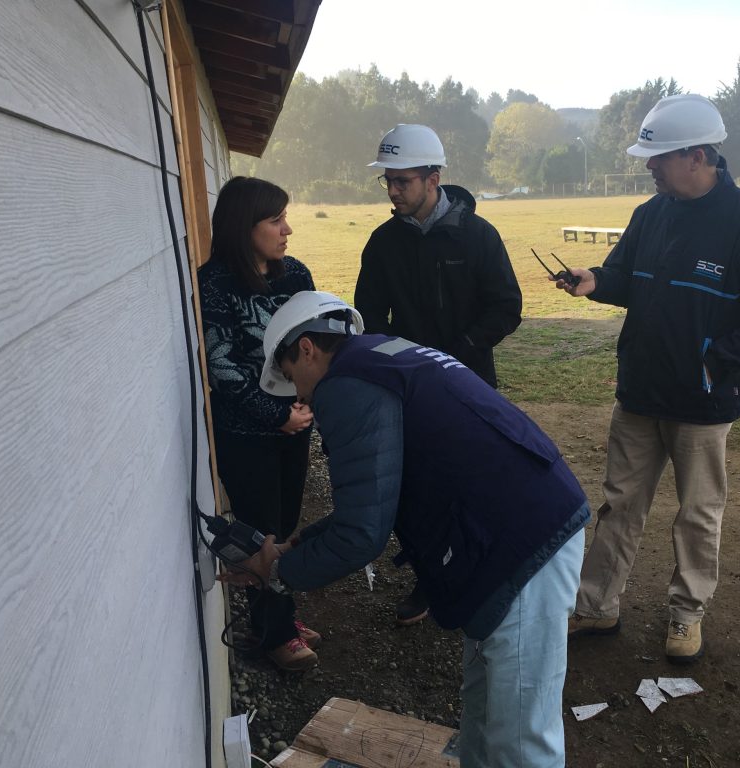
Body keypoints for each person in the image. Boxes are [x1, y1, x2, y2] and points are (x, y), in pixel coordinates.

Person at [220, 291, 589, 768]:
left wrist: (278, 570)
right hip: (514, 523)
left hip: (521, 542)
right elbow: (373, 497)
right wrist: (296, 545)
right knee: (484, 718)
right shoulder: (384, 354)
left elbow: (361, 534)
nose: (300, 397)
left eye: (293, 379)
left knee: (522, 740)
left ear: (307, 348)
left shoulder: (346, 386)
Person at [555, 94, 740, 664]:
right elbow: (625, 276)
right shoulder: (651, 214)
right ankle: (596, 606)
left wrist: (717, 360)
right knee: (620, 503)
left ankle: (686, 614)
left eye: (659, 157)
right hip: (640, 393)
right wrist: (595, 280)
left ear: (698, 156)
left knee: (697, 512)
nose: (649, 166)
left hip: (705, 402)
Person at [355, 123, 523, 624]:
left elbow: (506, 307)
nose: (392, 190)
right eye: (387, 180)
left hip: (470, 385)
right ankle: (430, 576)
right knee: (415, 486)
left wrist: (457, 353)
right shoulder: (383, 243)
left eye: (402, 180)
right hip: (406, 389)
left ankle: (483, 573)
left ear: (434, 178)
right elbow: (369, 316)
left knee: (473, 481)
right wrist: (401, 362)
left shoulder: (477, 235)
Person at [198, 176, 322, 671]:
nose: (287, 229)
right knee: (260, 536)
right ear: (243, 225)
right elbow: (222, 366)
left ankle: (281, 616)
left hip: (297, 422)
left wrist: (308, 405)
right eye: (275, 220)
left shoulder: (294, 275)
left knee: (287, 525)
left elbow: (317, 342)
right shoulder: (215, 284)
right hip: (248, 434)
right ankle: (275, 635)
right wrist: (278, 415)